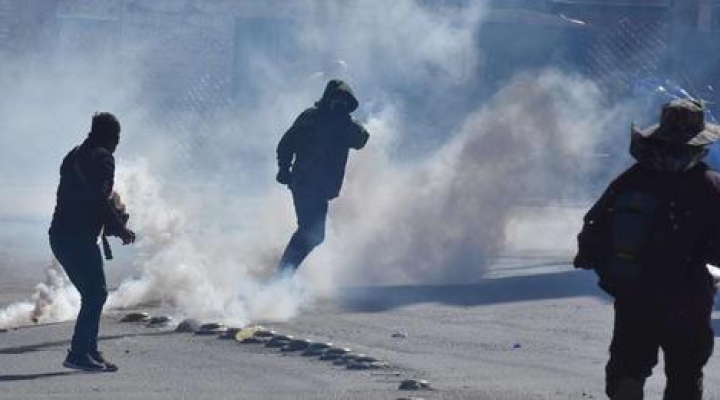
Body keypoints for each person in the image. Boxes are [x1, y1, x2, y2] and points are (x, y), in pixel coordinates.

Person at [574, 98, 720, 399]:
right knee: (685, 375)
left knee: (628, 371)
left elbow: (590, 239)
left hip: (635, 297)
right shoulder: (710, 186)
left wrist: (617, 277)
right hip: (688, 300)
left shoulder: (631, 180)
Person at [49, 112, 136, 372]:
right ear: (109, 137)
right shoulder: (103, 158)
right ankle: (78, 353)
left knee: (94, 293)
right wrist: (120, 227)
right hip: (77, 238)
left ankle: (90, 351)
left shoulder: (74, 155)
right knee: (95, 294)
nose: (117, 144)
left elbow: (76, 196)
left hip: (61, 235)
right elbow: (98, 199)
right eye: (117, 138)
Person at [275, 79, 369, 274]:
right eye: (337, 100)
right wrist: (284, 169)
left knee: (313, 234)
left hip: (321, 188)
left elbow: (362, 139)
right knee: (311, 231)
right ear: (327, 99)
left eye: (344, 102)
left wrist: (344, 120)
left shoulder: (344, 126)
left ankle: (283, 274)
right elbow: (286, 144)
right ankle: (282, 276)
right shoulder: (310, 118)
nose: (340, 105)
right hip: (304, 183)